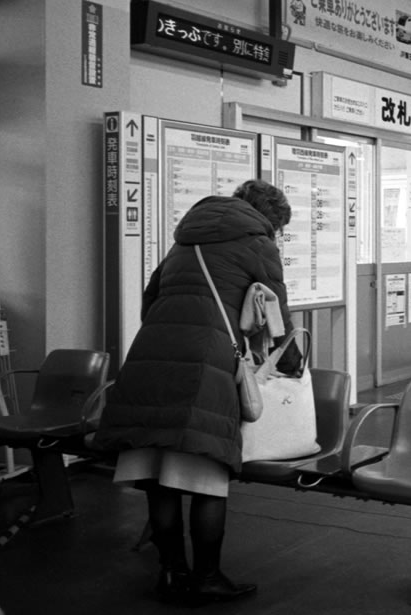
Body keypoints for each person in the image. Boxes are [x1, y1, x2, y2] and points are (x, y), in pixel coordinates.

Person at [92, 180, 301, 605]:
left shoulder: (185, 241)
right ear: (272, 221)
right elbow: (277, 316)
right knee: (205, 475)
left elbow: (150, 304)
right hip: (204, 365)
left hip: (150, 357)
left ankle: (171, 574)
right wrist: (291, 364)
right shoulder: (258, 244)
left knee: (160, 477)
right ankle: (206, 576)